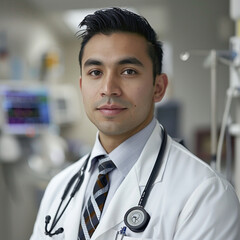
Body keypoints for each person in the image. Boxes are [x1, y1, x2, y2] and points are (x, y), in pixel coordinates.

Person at [30, 7, 240, 240]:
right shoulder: (59, 187)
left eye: (128, 71)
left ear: (158, 88)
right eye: (95, 72)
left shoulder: (206, 194)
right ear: (82, 87)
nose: (109, 88)